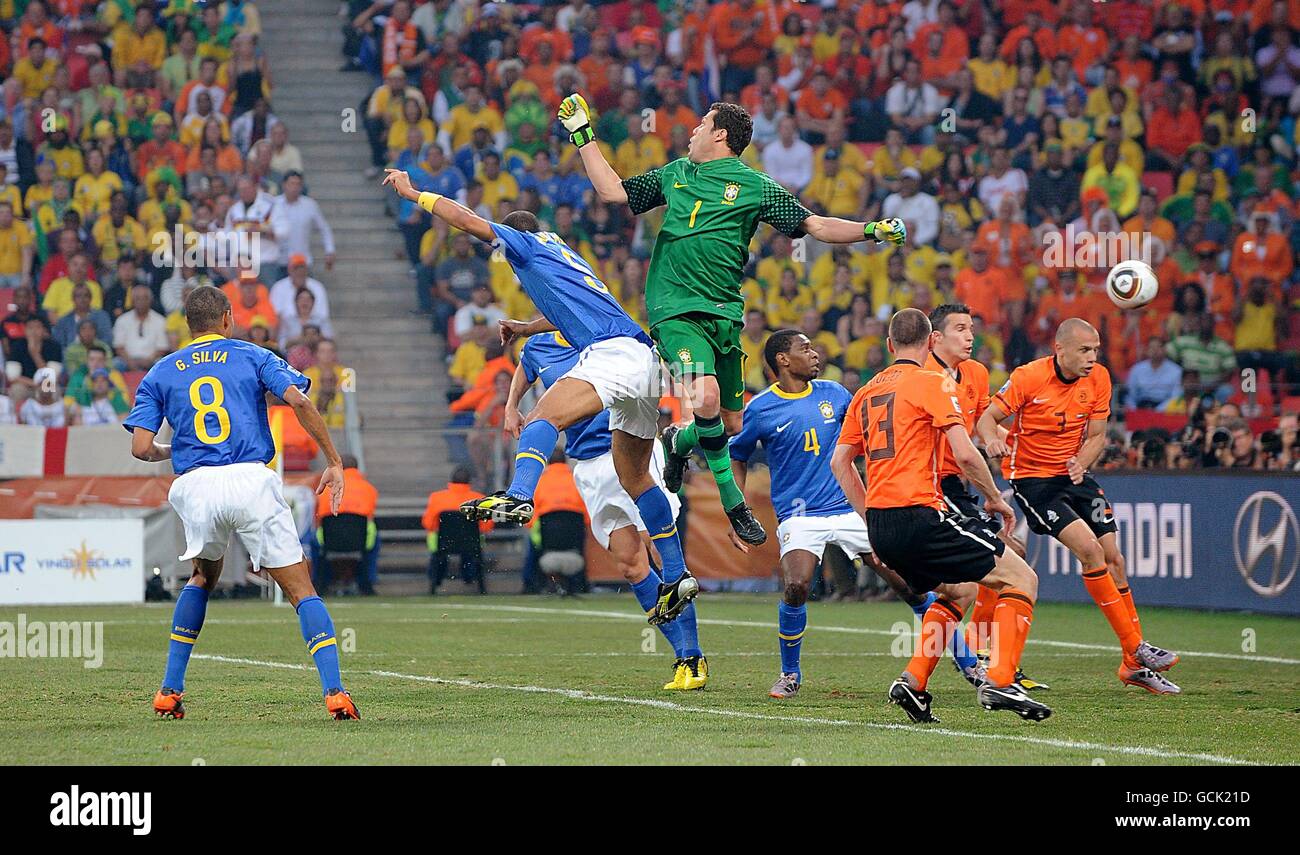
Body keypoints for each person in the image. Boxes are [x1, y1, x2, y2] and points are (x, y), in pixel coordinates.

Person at [557, 93, 906, 547]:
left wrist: (870, 230)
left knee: (730, 424)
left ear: (720, 134)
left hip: (724, 314)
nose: (693, 131)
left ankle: (679, 443)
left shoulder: (756, 187)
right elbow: (613, 191)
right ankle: (735, 504)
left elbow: (816, 226)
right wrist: (583, 135)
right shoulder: (674, 175)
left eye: (702, 124)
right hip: (675, 308)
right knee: (704, 396)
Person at [383, 168, 699, 627]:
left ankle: (519, 495)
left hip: (612, 357)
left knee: (542, 418)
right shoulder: (567, 254)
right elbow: (570, 311)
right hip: (641, 362)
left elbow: (469, 220)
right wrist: (527, 327)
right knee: (638, 482)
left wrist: (415, 194)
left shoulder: (526, 245)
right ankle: (676, 575)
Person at [124, 285, 360, 721]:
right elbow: (299, 399)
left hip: (195, 485)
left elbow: (141, 448)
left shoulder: (160, 371)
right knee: (300, 588)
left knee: (201, 579)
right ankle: (335, 693)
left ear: (189, 326)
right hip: (250, 478)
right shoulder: (252, 354)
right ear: (228, 319)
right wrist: (334, 459)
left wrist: (170, 451)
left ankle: (168, 691)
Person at [835, 308, 1051, 723]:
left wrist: (871, 520)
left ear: (889, 345)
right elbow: (965, 453)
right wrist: (995, 498)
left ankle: (914, 681)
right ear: (931, 341)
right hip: (920, 513)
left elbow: (840, 464)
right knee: (1022, 578)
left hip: (881, 524)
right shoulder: (933, 382)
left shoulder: (865, 392)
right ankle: (1001, 681)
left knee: (960, 592)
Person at [976, 318, 1181, 694]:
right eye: (1085, 350)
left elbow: (1098, 435)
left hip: (1074, 476)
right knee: (1089, 550)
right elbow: (987, 418)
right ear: (1060, 349)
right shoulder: (1027, 377)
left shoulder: (1099, 378)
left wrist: (1082, 462)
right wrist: (991, 442)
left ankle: (1132, 664)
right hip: (1034, 481)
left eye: (1096, 350)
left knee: (1113, 556)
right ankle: (1136, 648)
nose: (1092, 358)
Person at [508, 329, 705, 690]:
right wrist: (511, 407)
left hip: (632, 454)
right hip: (586, 464)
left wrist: (680, 417)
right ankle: (682, 655)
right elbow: (525, 367)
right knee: (631, 566)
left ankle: (692, 656)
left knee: (660, 553)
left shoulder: (609, 339)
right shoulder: (539, 346)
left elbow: (664, 374)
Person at [926, 303, 1044, 691]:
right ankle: (994, 667)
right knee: (985, 576)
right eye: (960, 328)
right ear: (935, 338)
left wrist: (996, 438)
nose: (970, 336)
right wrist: (993, 494)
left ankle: (986, 661)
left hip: (958, 487)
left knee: (994, 570)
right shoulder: (922, 377)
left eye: (972, 328)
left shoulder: (975, 373)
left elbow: (980, 425)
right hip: (929, 487)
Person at [312, 453, 380, 596]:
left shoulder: (326, 488)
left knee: (313, 542)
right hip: (359, 542)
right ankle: (367, 582)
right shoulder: (369, 489)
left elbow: (318, 519)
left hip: (330, 542)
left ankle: (319, 582)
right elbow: (370, 517)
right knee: (375, 540)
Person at [422, 465, 493, 594]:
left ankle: (435, 582)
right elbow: (487, 527)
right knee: (473, 554)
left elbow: (428, 524)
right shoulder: (479, 499)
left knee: (437, 556)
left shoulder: (437, 498)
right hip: (471, 544)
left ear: (450, 481)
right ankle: (474, 581)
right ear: (469, 482)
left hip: (444, 544)